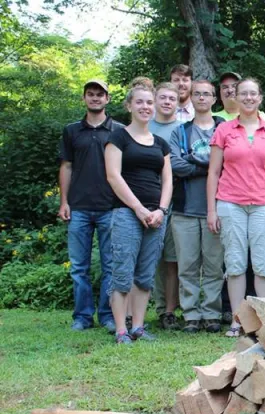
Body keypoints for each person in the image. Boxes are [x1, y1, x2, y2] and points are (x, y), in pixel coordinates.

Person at [207, 77, 265, 337]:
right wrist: (211, 209)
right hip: (230, 203)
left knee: (264, 264)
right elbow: (214, 172)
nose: (249, 98)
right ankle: (238, 321)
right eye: (243, 94)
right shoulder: (224, 130)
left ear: (260, 98)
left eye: (253, 94)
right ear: (235, 99)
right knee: (235, 263)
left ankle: (264, 323)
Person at [104, 84, 172, 343]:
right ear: (129, 106)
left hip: (156, 216)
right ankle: (122, 329)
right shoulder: (118, 138)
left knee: (145, 275)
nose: (145, 107)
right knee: (122, 272)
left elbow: (168, 181)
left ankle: (139, 327)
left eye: (149, 102)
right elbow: (113, 176)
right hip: (126, 213)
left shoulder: (161, 143)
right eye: (140, 102)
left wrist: (161, 211)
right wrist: (138, 208)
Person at [58, 79, 124, 332]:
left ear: (107, 99)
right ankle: (83, 317)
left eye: (100, 94)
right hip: (79, 207)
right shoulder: (72, 130)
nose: (95, 98)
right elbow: (66, 166)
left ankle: (108, 315)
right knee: (79, 267)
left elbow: (124, 170)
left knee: (110, 265)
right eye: (90, 94)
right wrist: (64, 201)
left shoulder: (120, 130)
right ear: (84, 98)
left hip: (111, 206)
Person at [169, 80, 226, 333]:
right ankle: (191, 314)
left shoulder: (224, 128)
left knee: (214, 266)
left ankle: (212, 314)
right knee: (188, 265)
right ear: (190, 98)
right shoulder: (180, 132)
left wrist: (193, 160)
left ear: (214, 99)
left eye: (206, 94)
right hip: (184, 209)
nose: (201, 98)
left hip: (217, 208)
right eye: (197, 94)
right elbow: (174, 164)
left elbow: (228, 164)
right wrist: (207, 166)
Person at [148, 82, 183, 330]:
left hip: (175, 200)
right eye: (163, 97)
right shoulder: (143, 126)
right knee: (149, 259)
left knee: (172, 259)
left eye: (172, 98)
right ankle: (153, 308)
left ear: (178, 103)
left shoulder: (182, 129)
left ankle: (169, 311)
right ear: (155, 100)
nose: (167, 102)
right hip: (145, 200)